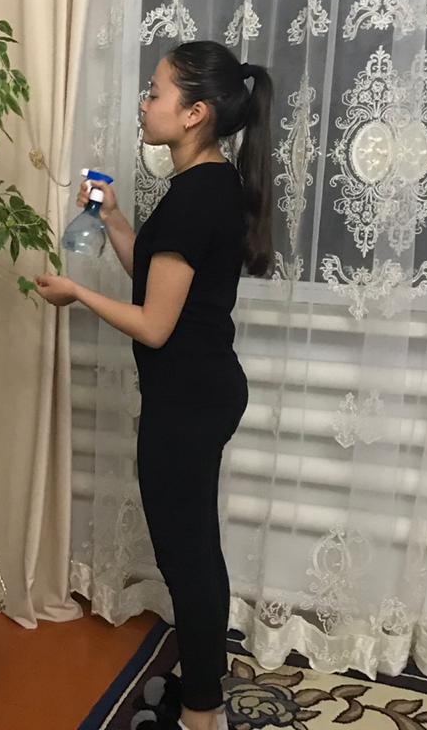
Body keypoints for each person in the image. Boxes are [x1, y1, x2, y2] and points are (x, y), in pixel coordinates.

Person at [35, 40, 274, 730]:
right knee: (194, 551)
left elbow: (154, 324)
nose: (144, 104)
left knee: (187, 559)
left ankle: (201, 712)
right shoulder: (208, 184)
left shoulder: (197, 196)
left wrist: (78, 293)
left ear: (195, 113)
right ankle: (204, 690)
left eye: (155, 92)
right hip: (201, 392)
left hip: (188, 401)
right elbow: (158, 277)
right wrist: (113, 218)